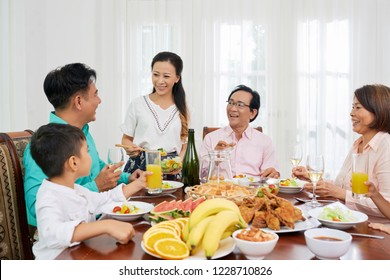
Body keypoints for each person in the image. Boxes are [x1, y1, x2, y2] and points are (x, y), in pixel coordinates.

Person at [24, 63, 141, 227]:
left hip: (99, 217)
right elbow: (36, 207)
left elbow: (97, 166)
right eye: (95, 94)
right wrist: (96, 187)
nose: (99, 101)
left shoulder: (82, 132)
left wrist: (127, 177)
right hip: (69, 238)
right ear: (78, 101)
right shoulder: (43, 146)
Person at [30, 123, 148, 259]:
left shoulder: (76, 190)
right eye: (87, 151)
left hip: (80, 253)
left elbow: (106, 200)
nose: (90, 156)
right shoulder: (48, 196)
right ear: (74, 162)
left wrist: (138, 184)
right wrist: (106, 226)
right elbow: (52, 233)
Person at [293, 84, 390, 223]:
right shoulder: (358, 144)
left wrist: (340, 194)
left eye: (358, 107)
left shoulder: (386, 146)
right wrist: (313, 179)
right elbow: (343, 187)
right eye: (352, 107)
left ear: (378, 110)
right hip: (347, 221)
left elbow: (386, 205)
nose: (351, 113)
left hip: (374, 231)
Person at [120, 51, 189, 174]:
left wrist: (179, 163)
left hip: (171, 169)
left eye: (166, 76)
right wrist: (130, 148)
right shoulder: (137, 104)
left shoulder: (185, 108)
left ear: (177, 78)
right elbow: (126, 139)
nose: (160, 81)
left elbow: (186, 146)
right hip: (139, 169)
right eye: (156, 74)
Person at [200, 84, 280, 178]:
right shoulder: (211, 138)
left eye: (240, 105)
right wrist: (215, 157)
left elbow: (269, 175)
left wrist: (273, 174)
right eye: (231, 103)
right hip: (220, 190)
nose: (233, 109)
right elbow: (201, 175)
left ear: (252, 113)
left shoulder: (265, 141)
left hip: (253, 191)